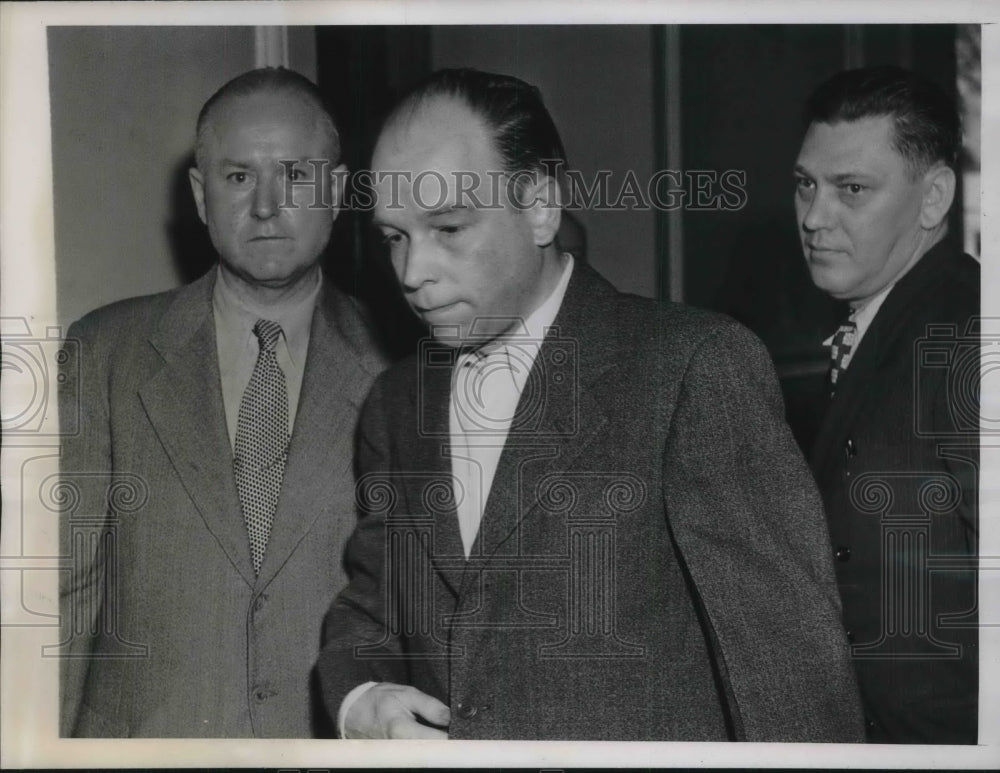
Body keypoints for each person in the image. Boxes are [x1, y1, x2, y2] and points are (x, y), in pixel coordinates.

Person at [316, 67, 863, 742]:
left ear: (542, 205)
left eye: (448, 227)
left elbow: (789, 674)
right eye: (394, 236)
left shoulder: (690, 367)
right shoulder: (395, 404)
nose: (411, 272)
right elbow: (369, 606)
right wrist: (361, 698)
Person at [57, 67, 387, 737]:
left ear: (338, 190)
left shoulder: (401, 364)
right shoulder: (105, 352)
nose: (266, 206)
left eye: (294, 175)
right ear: (202, 196)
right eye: (239, 177)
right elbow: (66, 593)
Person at [793, 66, 979, 743]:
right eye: (805, 185)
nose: (814, 216)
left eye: (852, 189)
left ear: (932, 200)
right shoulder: (890, 321)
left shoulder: (965, 333)